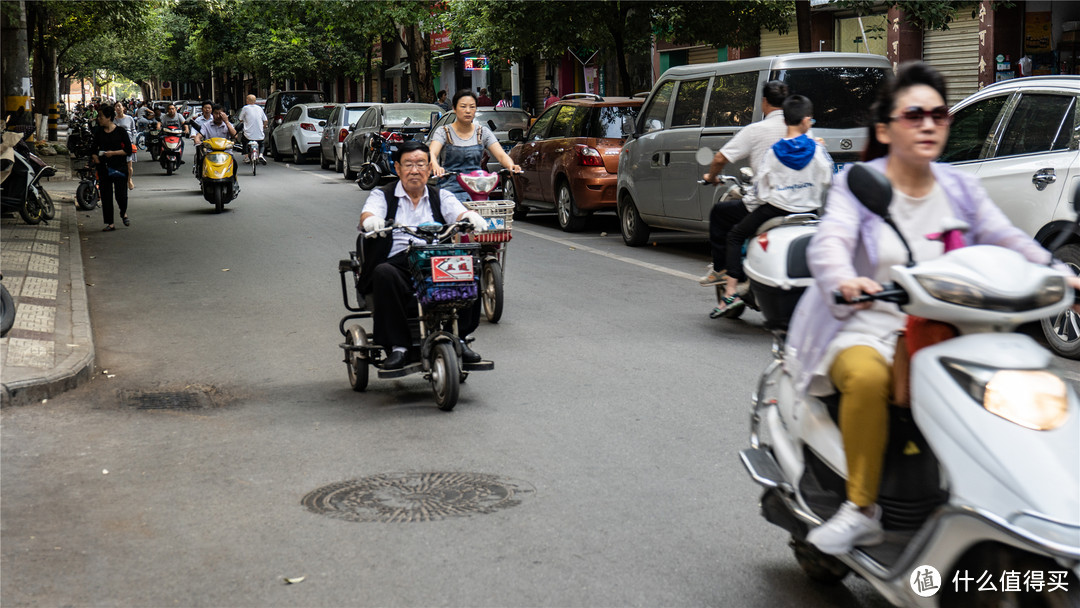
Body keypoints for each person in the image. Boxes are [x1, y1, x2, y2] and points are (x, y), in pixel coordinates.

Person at [785, 62, 1080, 556]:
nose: (928, 123)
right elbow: (829, 243)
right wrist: (845, 279)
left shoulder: (960, 186)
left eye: (938, 114)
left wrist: (1059, 271)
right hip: (866, 322)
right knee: (868, 379)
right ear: (886, 128)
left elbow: (1003, 236)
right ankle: (861, 509)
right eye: (914, 114)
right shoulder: (857, 184)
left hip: (949, 326)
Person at [357, 140, 489, 370]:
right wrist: (371, 220)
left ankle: (458, 337)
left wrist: (469, 217)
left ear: (429, 168)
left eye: (420, 164)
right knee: (383, 273)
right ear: (397, 168)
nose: (414, 170)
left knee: (469, 266)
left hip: (436, 261)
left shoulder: (442, 196)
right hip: (399, 263)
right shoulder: (383, 195)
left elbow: (459, 213)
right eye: (408, 164)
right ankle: (398, 347)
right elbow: (368, 213)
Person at [711, 94, 833, 317]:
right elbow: (827, 179)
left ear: (785, 121)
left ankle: (730, 293)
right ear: (807, 120)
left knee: (736, 236)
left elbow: (761, 189)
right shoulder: (818, 150)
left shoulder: (774, 152)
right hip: (809, 212)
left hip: (775, 210)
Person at [699, 81, 790, 292]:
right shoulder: (804, 134)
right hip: (802, 204)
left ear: (764, 102)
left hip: (769, 203)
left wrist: (712, 176)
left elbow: (721, 157)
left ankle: (722, 271)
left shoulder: (757, 130)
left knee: (722, 215)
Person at [429, 89, 522, 202]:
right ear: (454, 108)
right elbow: (433, 151)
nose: (468, 111)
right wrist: (434, 164)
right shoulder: (443, 132)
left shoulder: (483, 132)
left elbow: (501, 155)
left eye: (472, 107)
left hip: (477, 190)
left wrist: (511, 165)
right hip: (449, 191)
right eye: (463, 106)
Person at [90, 104, 133, 231]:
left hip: (119, 167)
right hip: (104, 168)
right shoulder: (98, 132)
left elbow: (128, 150)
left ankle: (123, 213)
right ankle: (110, 223)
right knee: (106, 195)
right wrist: (96, 158)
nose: (99, 119)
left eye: (101, 116)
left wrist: (113, 153)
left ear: (109, 117)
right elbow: (93, 148)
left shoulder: (121, 131)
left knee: (121, 195)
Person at [236, 94, 268, 164]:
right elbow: (265, 120)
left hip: (248, 134)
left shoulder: (245, 108)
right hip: (259, 134)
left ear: (247, 100)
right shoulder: (259, 108)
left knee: (244, 142)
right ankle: (261, 155)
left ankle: (246, 157)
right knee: (262, 144)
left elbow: (240, 119)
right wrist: (263, 126)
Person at [113, 102, 138, 190]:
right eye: (116, 106)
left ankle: (129, 179)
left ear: (123, 108)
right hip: (118, 145)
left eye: (119, 106)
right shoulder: (113, 120)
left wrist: (133, 142)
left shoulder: (129, 119)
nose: (118, 108)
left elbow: (134, 130)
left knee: (129, 166)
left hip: (128, 144)